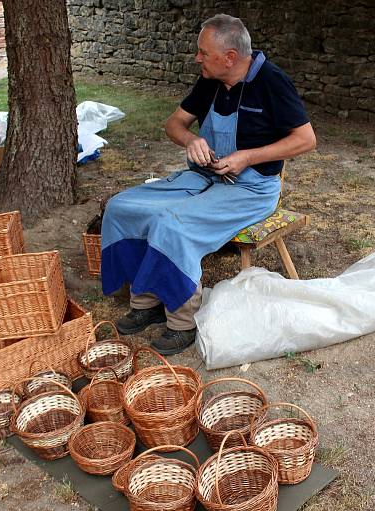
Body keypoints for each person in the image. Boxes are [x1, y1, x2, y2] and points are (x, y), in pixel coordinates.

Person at [101, 14, 316, 356]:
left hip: (251, 189)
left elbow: (306, 140)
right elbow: (174, 124)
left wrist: (248, 157)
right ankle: (147, 299)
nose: (196, 58)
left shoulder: (272, 82)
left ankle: (182, 321)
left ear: (230, 57)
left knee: (172, 223)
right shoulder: (210, 81)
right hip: (203, 177)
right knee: (122, 207)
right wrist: (189, 140)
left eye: (203, 51)